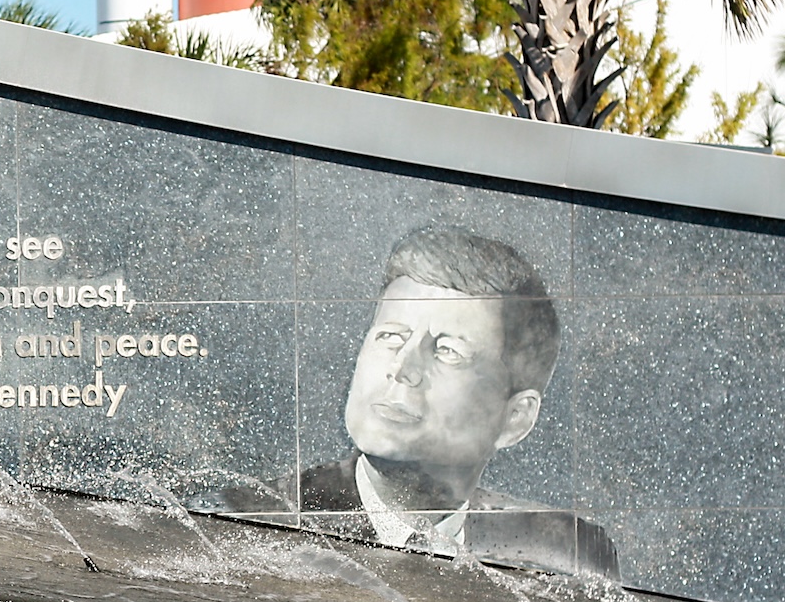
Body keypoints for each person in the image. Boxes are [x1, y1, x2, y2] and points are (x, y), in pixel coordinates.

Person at [217, 226, 616, 578]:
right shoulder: (243, 520)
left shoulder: (570, 553)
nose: (403, 369)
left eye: (447, 351)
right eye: (390, 337)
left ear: (515, 418)